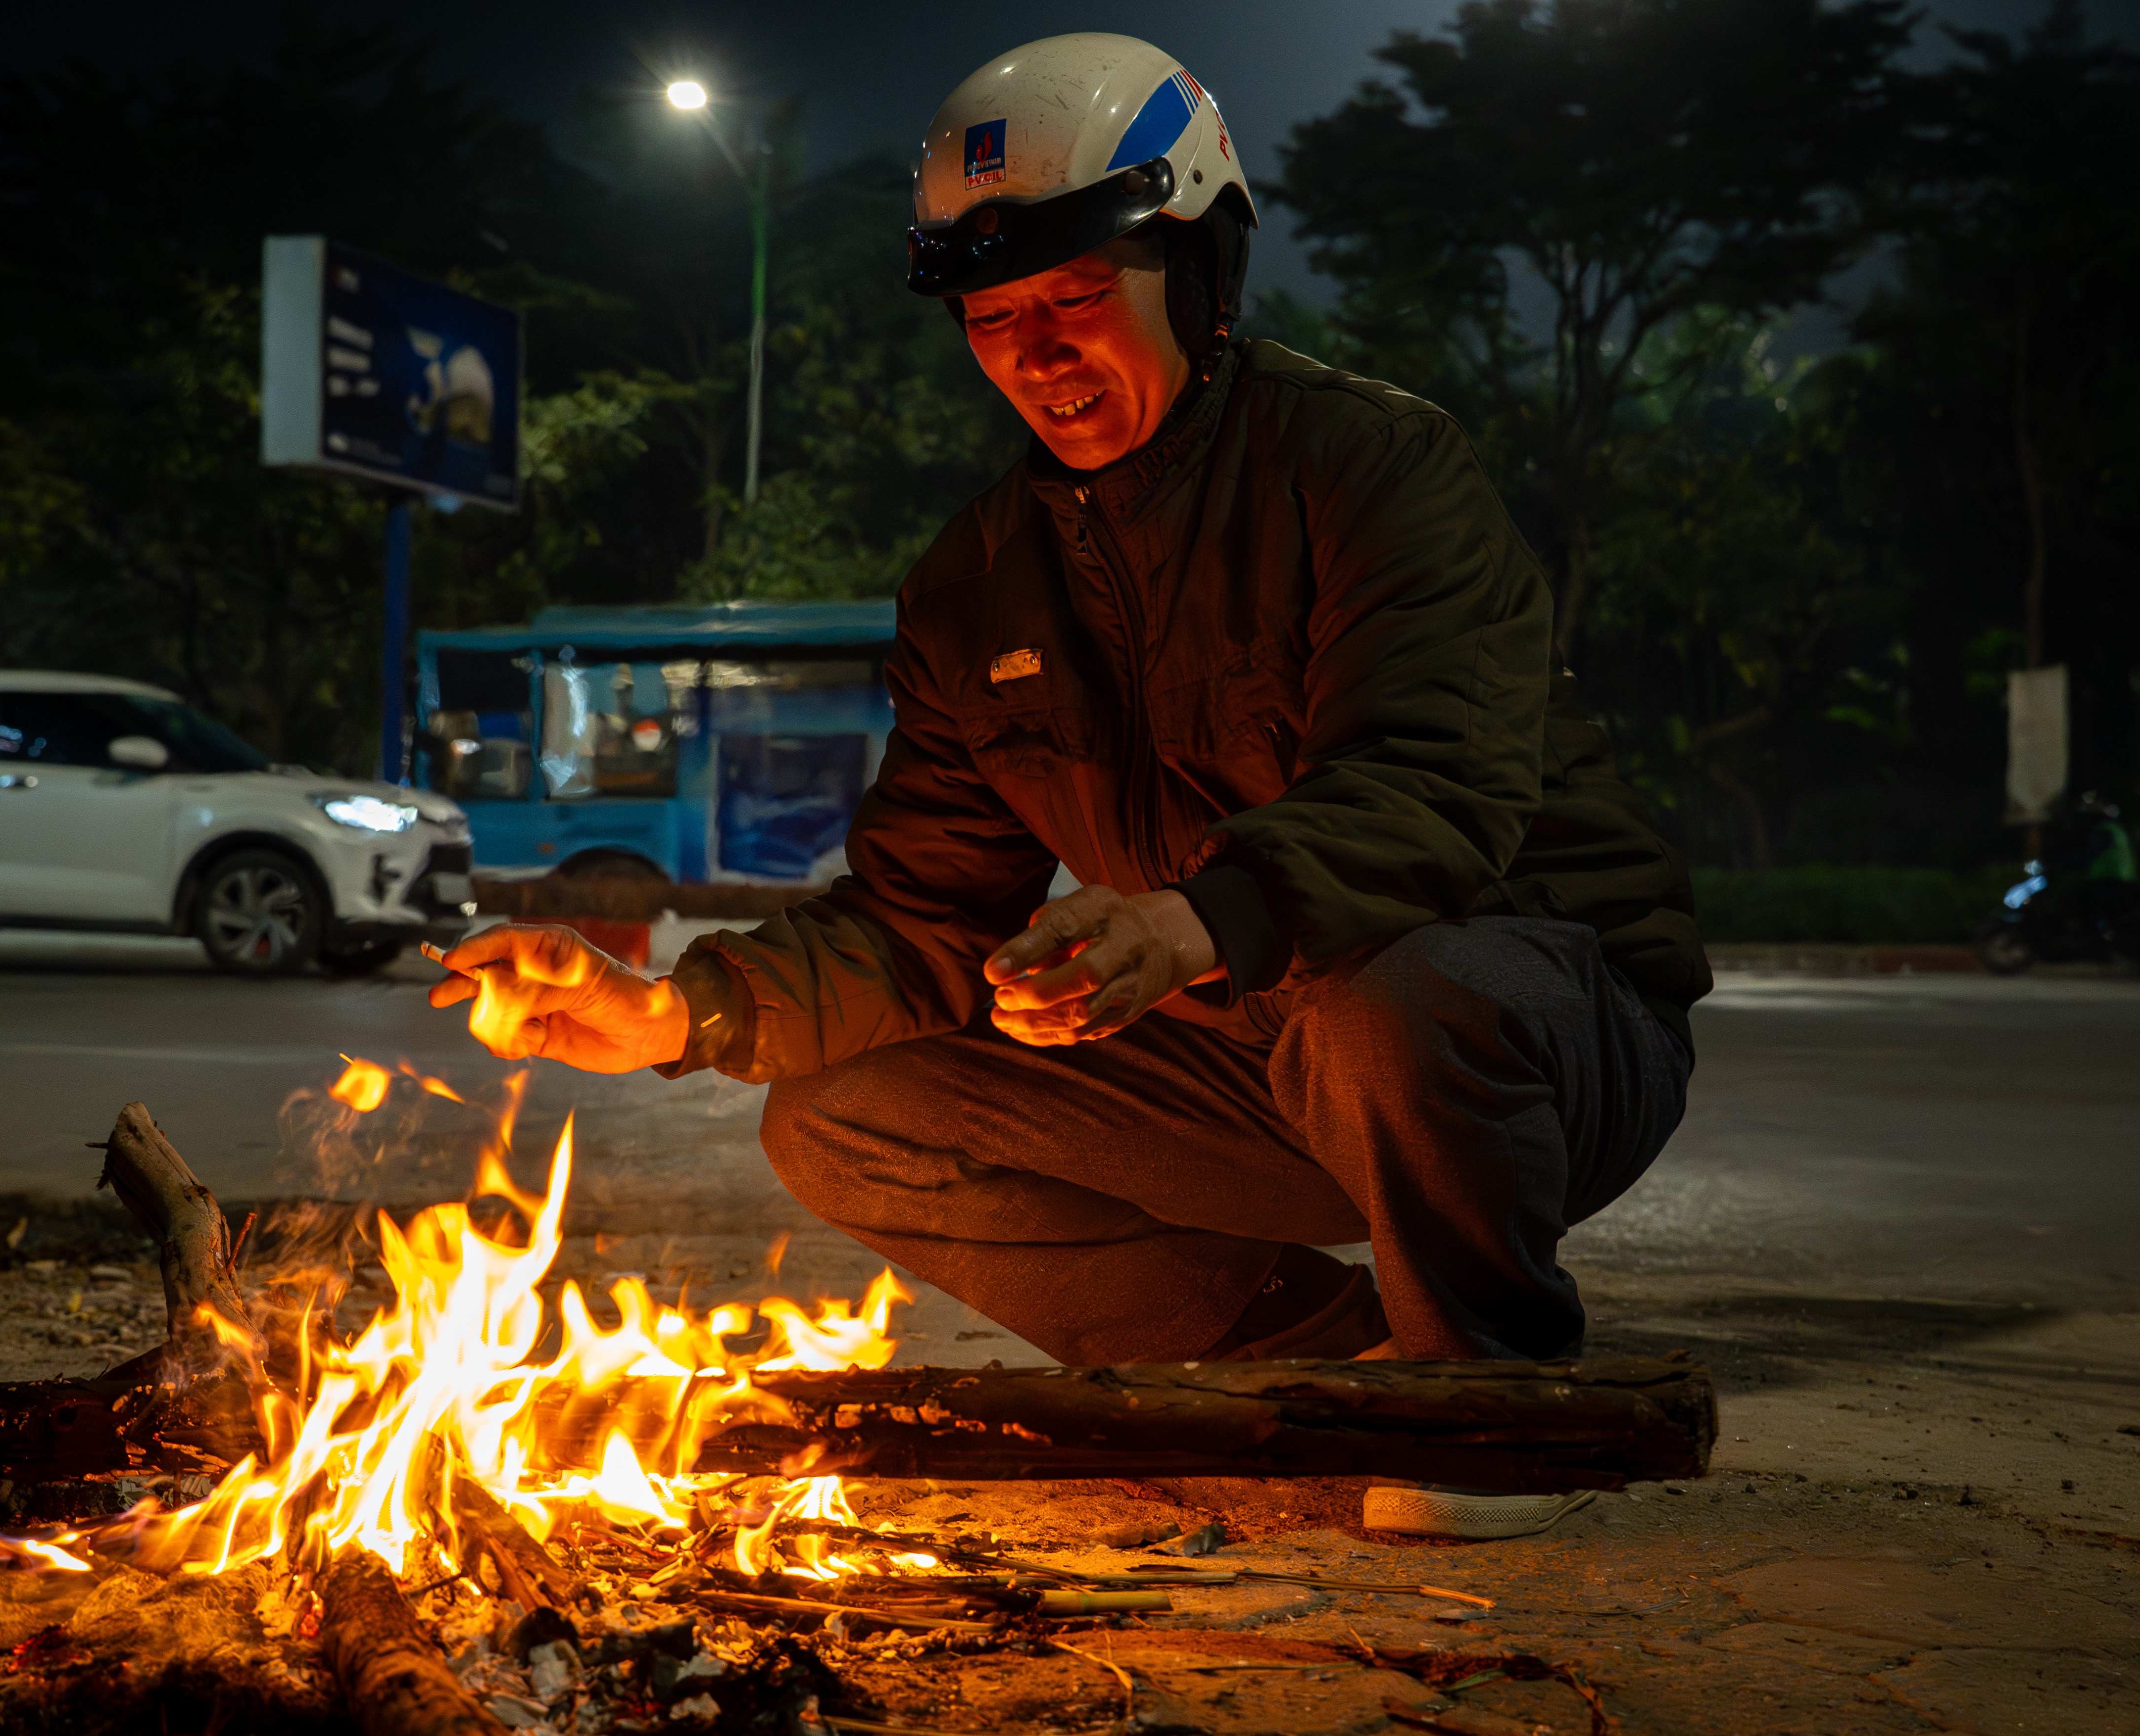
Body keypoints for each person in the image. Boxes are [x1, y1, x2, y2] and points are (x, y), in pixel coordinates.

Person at [433, 34, 1709, 1539]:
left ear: (1201, 271)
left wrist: (1190, 920)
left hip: (1530, 1028)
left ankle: (1484, 1399)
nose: (1035, 354)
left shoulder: (1374, 467)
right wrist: (674, 1009)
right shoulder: (979, 587)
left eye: (1077, 300)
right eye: (994, 319)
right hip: (1251, 1050)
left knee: (1394, 998)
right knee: (835, 1112)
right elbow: (918, 923)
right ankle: (1308, 1368)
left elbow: (1434, 791)